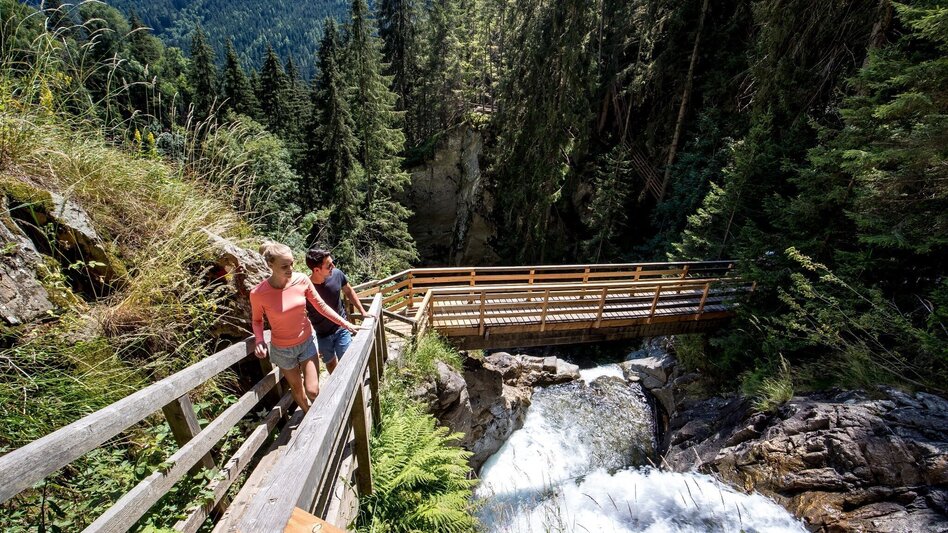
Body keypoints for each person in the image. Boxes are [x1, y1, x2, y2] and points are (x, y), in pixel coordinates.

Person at [251, 242, 357, 413]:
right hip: (282, 349)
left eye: (292, 263)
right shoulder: (258, 293)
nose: (290, 269)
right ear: (270, 265)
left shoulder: (301, 280)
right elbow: (257, 321)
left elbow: (321, 306)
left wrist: (345, 323)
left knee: (313, 390)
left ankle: (318, 415)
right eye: (284, 266)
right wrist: (259, 340)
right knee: (298, 390)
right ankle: (310, 416)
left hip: (306, 342)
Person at [305, 248, 369, 373]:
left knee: (348, 361)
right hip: (321, 334)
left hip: (341, 328)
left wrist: (363, 311)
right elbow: (303, 314)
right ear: (317, 270)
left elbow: (349, 291)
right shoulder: (306, 287)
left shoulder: (337, 274)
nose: (333, 267)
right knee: (330, 363)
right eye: (329, 265)